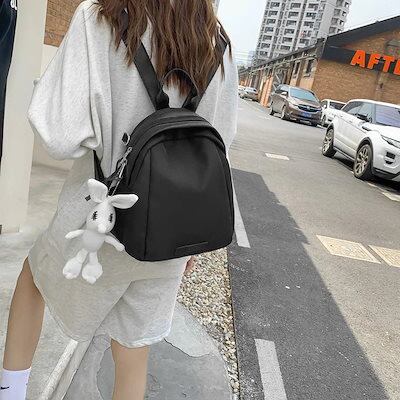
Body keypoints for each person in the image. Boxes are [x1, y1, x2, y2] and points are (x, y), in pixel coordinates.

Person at [0, 0, 238, 399]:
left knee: (33, 278)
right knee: (132, 352)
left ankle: (10, 393)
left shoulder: (102, 19)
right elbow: (220, 150)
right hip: (169, 238)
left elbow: (59, 136)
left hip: (97, 227)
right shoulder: (218, 43)